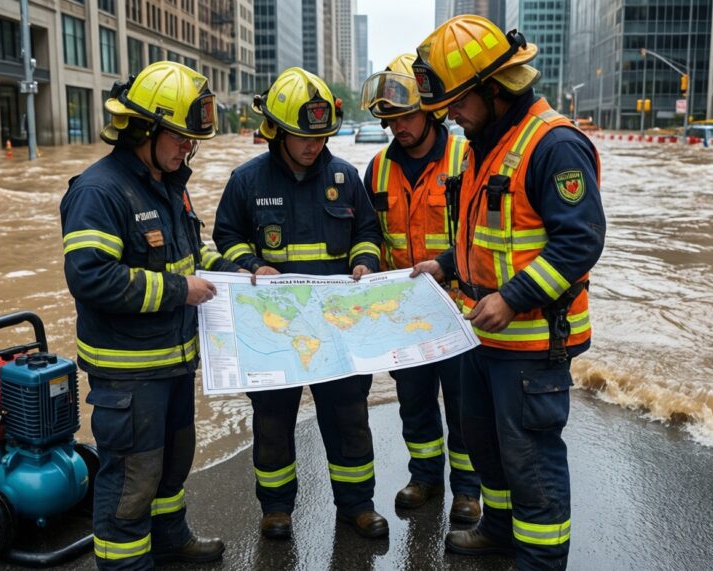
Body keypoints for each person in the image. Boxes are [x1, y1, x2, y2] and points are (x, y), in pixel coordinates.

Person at [410, 16, 606, 570]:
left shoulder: (554, 145)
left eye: (457, 101)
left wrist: (513, 297)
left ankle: (540, 561)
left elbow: (580, 242)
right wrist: (446, 264)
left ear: (494, 88)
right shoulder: (484, 140)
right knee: (485, 445)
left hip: (530, 343)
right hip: (484, 335)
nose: (448, 114)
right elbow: (490, 236)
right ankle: (497, 530)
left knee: (531, 460)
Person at [59, 61, 241, 570]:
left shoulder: (166, 182)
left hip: (174, 362)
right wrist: (180, 291)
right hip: (130, 373)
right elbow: (91, 276)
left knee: (171, 465)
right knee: (131, 482)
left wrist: (241, 272)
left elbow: (194, 253)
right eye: (181, 138)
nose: (188, 149)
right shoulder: (98, 191)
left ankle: (169, 539)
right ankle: (126, 563)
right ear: (145, 128)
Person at [211, 67, 388, 541]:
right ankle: (276, 509)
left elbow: (368, 232)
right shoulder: (246, 181)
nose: (315, 145)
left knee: (349, 418)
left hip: (336, 328)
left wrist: (365, 264)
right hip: (274, 329)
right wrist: (250, 266)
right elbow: (223, 238)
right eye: (304, 137)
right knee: (272, 423)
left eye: (322, 136)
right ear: (279, 132)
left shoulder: (345, 177)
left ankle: (357, 506)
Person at [359, 53, 481, 523]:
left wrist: (447, 266)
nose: (397, 128)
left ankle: (467, 490)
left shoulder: (464, 159)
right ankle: (425, 476)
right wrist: (366, 262)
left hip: (457, 311)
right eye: (389, 119)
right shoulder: (376, 169)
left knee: (464, 407)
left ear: (429, 110)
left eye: (405, 116)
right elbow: (368, 233)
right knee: (414, 404)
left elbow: (480, 234)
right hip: (404, 315)